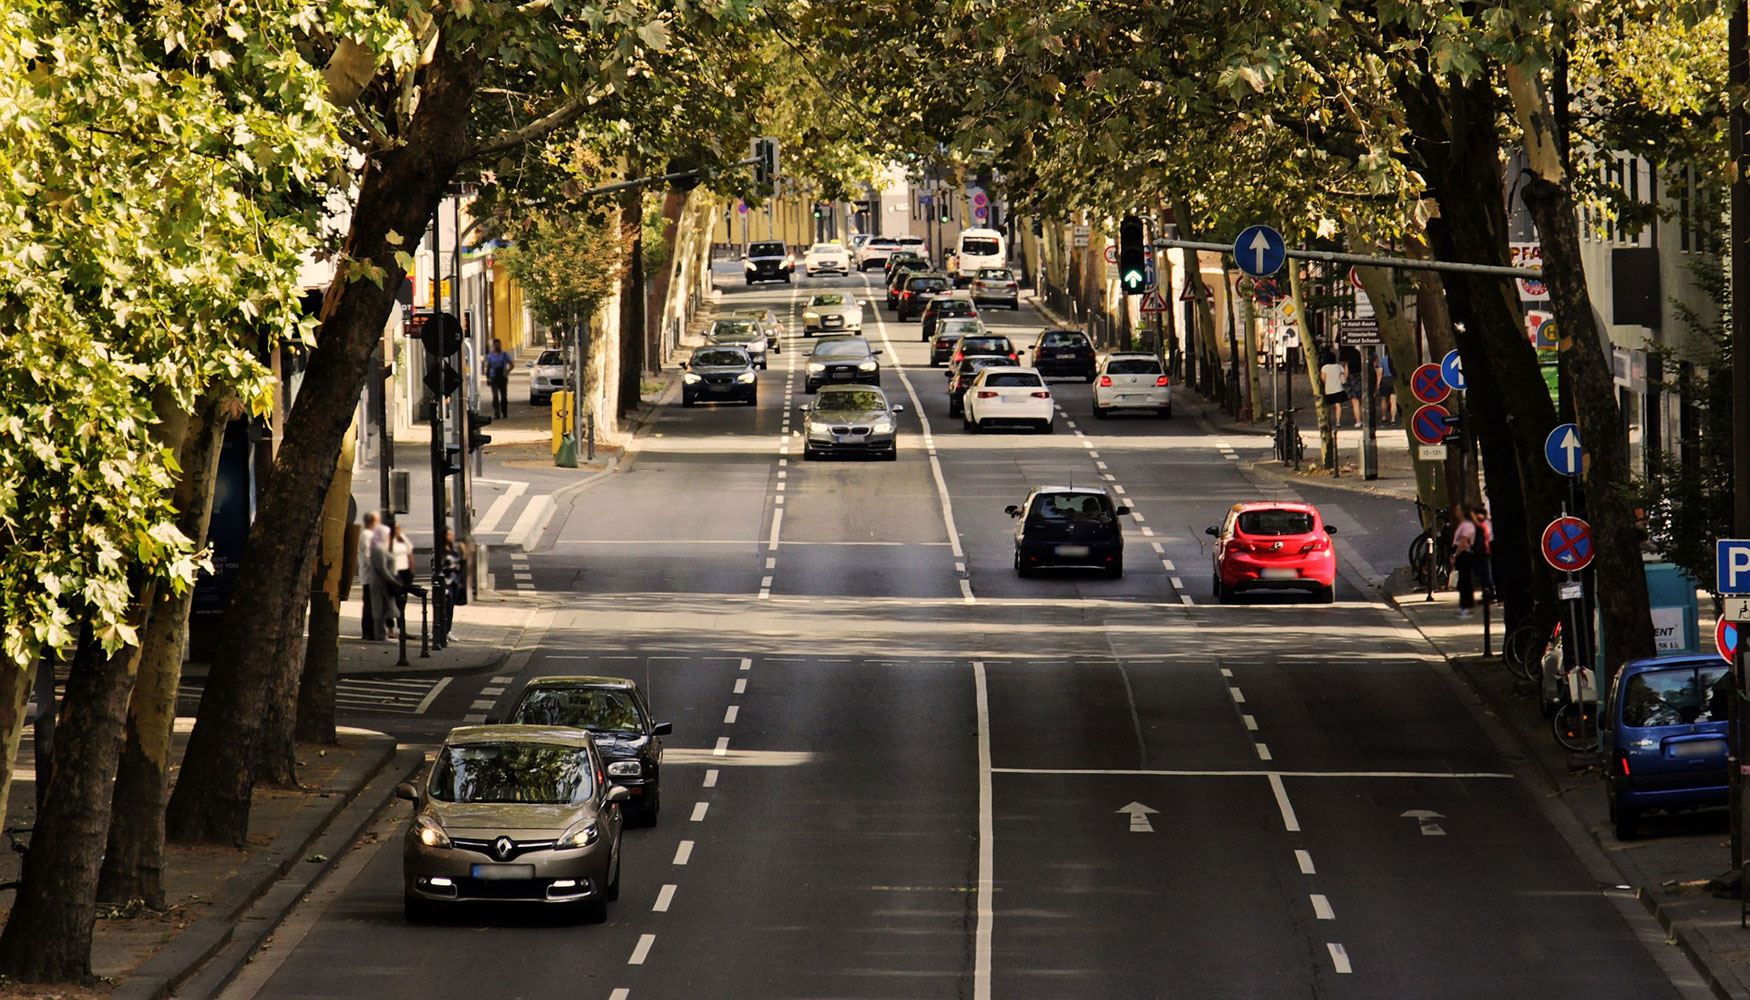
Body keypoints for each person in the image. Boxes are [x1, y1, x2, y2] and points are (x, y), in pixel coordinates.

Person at [356, 511, 382, 639]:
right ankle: (370, 632)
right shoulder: (367, 536)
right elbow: (369, 556)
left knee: (371, 604)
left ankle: (371, 631)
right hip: (371, 576)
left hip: (372, 576)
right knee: (371, 605)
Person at [1452, 504, 1480, 617]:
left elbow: (1463, 543)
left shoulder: (1467, 525)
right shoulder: (1464, 524)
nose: (1456, 511)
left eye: (1458, 509)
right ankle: (1464, 606)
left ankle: (1466, 607)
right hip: (1463, 555)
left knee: (1464, 581)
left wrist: (1455, 555)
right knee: (1463, 581)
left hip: (1465, 555)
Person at [485, 338, 514, 419]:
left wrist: (507, 372)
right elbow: (488, 367)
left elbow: (512, 365)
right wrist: (488, 378)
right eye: (496, 345)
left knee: (504, 396)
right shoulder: (490, 356)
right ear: (493, 346)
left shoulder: (504, 355)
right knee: (495, 396)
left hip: (502, 377)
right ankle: (496, 413)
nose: (498, 346)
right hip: (494, 377)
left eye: (499, 345)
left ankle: (504, 412)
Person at [1318, 351, 1348, 428]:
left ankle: (1327, 420)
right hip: (1338, 388)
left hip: (1328, 389)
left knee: (1328, 406)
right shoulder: (1339, 367)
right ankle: (1338, 421)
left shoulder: (1324, 368)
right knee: (1338, 405)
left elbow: (1323, 379)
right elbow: (1343, 376)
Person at [1376, 351, 1397, 423]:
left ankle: (1384, 417)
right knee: (1393, 401)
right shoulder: (1395, 360)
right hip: (1394, 380)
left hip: (1385, 380)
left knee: (1384, 400)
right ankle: (1393, 418)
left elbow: (1380, 372)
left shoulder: (1383, 360)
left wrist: (1378, 383)